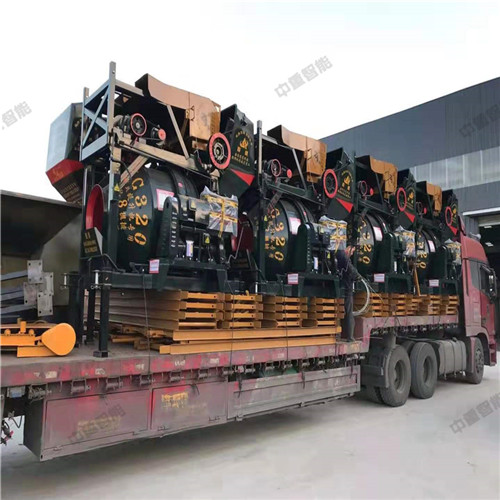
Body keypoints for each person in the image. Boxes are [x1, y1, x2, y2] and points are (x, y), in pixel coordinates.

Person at [336, 245, 360, 342]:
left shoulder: (339, 254)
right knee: (349, 312)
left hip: (343, 288)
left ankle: (345, 335)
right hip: (346, 289)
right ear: (348, 248)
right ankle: (350, 337)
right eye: (352, 251)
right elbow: (351, 270)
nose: (352, 253)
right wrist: (357, 276)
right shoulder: (342, 255)